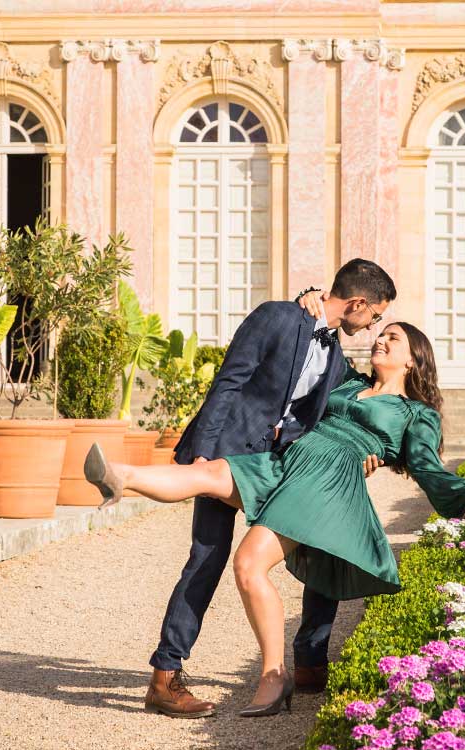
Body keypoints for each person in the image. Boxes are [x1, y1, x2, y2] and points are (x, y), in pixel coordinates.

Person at [85, 321, 465, 717]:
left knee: (248, 565)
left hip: (325, 480)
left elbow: (429, 471)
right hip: (288, 460)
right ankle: (118, 477)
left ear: (413, 359)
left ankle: (275, 676)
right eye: (380, 332)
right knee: (208, 473)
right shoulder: (349, 384)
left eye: (393, 337)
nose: (381, 339)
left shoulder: (417, 414)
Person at [123, 258, 395, 719]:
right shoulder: (276, 316)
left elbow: (360, 401)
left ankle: (309, 662)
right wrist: (204, 455)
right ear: (357, 303)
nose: (374, 324)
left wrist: (373, 447)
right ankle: (165, 678)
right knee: (206, 560)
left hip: (275, 466)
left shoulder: (334, 355)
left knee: (325, 540)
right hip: (225, 454)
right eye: (376, 314)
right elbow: (228, 383)